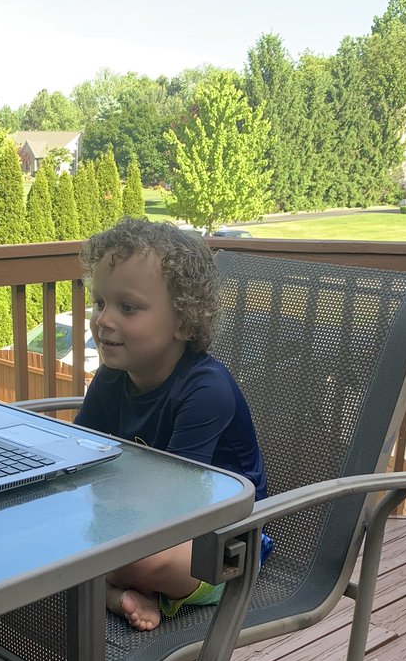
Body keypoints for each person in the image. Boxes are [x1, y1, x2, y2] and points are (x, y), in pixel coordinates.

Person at [75, 218, 268, 632]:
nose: (104, 320)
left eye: (127, 307)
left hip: (219, 541)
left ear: (184, 321)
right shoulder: (112, 375)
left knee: (137, 558)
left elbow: (176, 509)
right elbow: (81, 455)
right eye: (99, 303)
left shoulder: (206, 389)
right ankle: (109, 587)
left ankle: (101, 586)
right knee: (51, 529)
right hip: (137, 519)